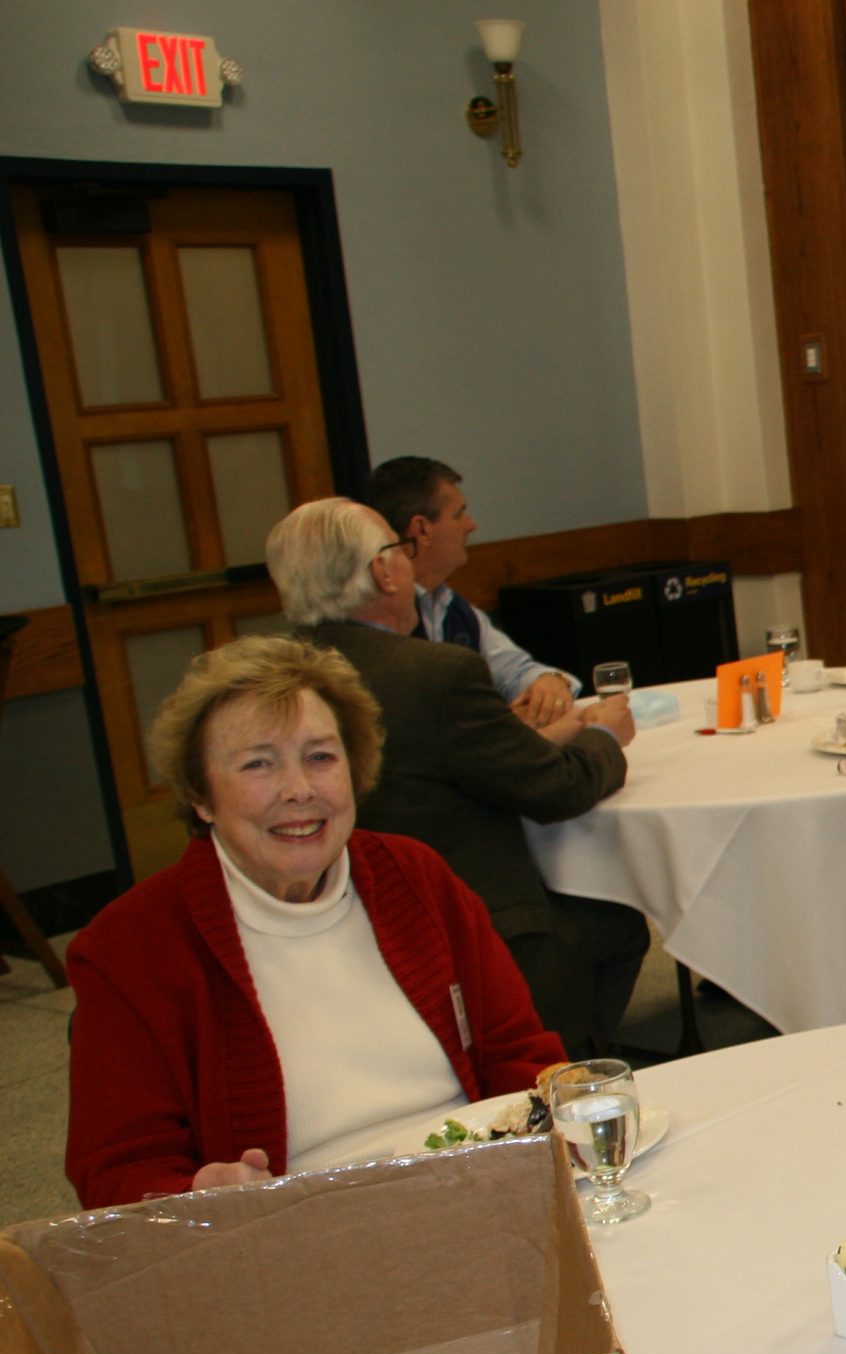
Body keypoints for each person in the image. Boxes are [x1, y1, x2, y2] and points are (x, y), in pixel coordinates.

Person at [65, 634, 562, 1209]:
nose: (299, 790)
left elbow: (519, 1055)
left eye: (320, 757)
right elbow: (118, 1174)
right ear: (201, 797)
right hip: (300, 1228)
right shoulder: (130, 947)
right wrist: (200, 1192)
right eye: (258, 763)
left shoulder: (416, 877)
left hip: (481, 1195)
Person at [276, 498, 645, 1059]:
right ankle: (568, 1065)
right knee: (620, 923)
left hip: (335, 928)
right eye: (400, 551)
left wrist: (546, 731)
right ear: (384, 571)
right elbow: (557, 789)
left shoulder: (279, 681)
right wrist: (604, 736)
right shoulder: (435, 674)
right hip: (473, 928)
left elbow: (446, 759)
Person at [365, 457, 579, 727]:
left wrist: (550, 682)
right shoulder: (380, 616)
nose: (471, 525)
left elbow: (516, 672)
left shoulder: (452, 606)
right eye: (458, 515)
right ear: (422, 529)